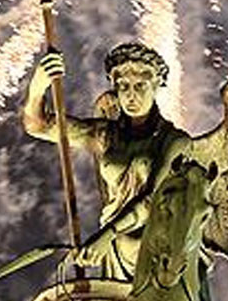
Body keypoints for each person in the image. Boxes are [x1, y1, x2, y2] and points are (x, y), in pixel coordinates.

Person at [21, 41, 187, 281]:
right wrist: (38, 86)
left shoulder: (175, 142)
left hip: (156, 247)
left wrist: (108, 235)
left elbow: (154, 200)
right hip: (113, 245)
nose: (131, 95)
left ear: (156, 86)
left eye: (140, 85)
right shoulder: (105, 136)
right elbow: (39, 125)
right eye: (123, 86)